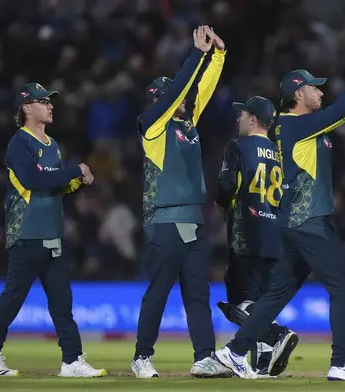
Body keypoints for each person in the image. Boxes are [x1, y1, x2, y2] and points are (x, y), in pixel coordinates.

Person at [213, 43, 345, 382]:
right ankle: (341, 362)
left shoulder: (301, 127)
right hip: (308, 222)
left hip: (297, 223)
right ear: (296, 93)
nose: (320, 91)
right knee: (342, 287)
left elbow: (336, 119)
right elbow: (343, 112)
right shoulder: (293, 125)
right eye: (313, 87)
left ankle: (234, 351)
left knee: (275, 295)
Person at [0, 83, 105, 377]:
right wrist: (74, 169)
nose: (50, 106)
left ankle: (72, 360)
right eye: (43, 102)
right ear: (26, 108)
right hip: (27, 233)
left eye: (50, 101)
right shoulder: (19, 144)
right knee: (14, 297)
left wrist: (78, 181)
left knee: (62, 301)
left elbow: (55, 185)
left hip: (52, 233)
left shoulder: (53, 146)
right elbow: (33, 180)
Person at [130, 25, 231, 379]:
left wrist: (217, 54)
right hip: (166, 222)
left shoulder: (187, 125)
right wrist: (197, 54)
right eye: (176, 98)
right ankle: (142, 356)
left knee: (198, 294)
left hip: (194, 222)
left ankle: (204, 356)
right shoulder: (153, 127)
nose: (185, 102)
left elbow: (200, 89)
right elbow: (182, 88)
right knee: (158, 292)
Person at [215, 96, 296, 377]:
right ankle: (263, 362)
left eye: (242, 115)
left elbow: (225, 189)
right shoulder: (279, 152)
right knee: (262, 301)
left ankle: (276, 334)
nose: (238, 119)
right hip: (274, 236)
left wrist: (223, 202)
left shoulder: (237, 147)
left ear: (253, 120)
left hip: (245, 233)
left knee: (241, 300)